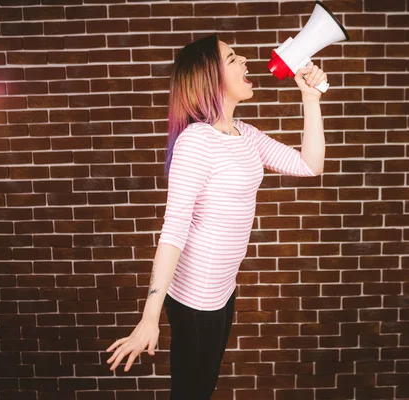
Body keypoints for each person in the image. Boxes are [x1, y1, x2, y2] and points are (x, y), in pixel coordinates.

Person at [105, 33, 327, 399]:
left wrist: (310, 97)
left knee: (203, 388)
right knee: (193, 393)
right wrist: (150, 317)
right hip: (196, 300)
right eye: (233, 58)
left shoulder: (247, 135)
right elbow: (173, 231)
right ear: (211, 78)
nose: (245, 63)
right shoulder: (196, 141)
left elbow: (310, 164)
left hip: (224, 291)